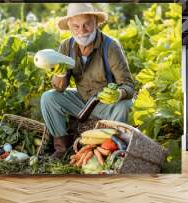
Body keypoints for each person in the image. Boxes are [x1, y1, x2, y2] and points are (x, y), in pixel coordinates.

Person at [41, 3, 134, 159]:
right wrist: (60, 72)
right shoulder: (66, 47)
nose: (81, 31)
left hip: (105, 104)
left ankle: (108, 150)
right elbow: (59, 89)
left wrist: (118, 94)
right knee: (48, 98)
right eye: (76, 27)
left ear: (96, 23)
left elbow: (129, 85)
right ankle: (63, 148)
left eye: (87, 25)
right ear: (70, 27)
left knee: (124, 105)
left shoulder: (110, 46)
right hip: (81, 100)